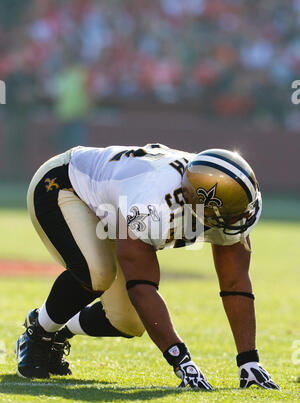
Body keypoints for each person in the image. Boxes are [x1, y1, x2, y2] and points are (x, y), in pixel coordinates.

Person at [16, 143, 280, 390]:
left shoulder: (215, 196)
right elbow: (142, 287)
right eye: (235, 213)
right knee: (98, 273)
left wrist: (249, 360)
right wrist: (182, 361)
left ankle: (56, 327)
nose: (244, 216)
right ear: (204, 209)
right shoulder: (151, 206)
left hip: (116, 207)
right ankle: (36, 335)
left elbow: (235, 282)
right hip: (66, 187)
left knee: (127, 322)